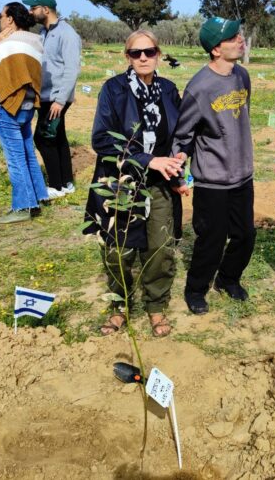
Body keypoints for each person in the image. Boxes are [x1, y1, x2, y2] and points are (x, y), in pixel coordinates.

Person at [84, 30, 184, 337]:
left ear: (158, 54)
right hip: (121, 183)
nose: (143, 57)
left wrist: (178, 171)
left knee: (160, 246)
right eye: (136, 53)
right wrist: (147, 160)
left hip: (159, 183)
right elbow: (101, 139)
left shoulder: (168, 89)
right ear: (127, 57)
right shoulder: (113, 89)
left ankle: (156, 306)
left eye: (149, 51)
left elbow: (177, 136)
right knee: (119, 249)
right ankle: (120, 306)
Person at [172, 17, 255, 315]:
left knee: (246, 235)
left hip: (243, 174)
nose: (240, 40)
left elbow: (240, 117)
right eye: (233, 37)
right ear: (216, 50)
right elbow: (183, 134)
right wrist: (179, 170)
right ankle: (196, 289)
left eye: (238, 34)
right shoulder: (199, 87)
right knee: (212, 239)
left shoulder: (242, 76)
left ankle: (228, 279)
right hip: (212, 180)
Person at [0, 3, 48, 224]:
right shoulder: (36, 41)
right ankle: (39, 195)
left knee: (15, 157)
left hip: (6, 103)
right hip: (27, 103)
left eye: (1, 15)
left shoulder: (7, 43)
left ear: (9, 20)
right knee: (27, 150)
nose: (0, 19)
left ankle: (24, 205)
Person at [23, 0, 81, 200]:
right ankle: (66, 183)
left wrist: (60, 100)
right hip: (45, 96)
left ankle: (55, 185)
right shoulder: (44, 32)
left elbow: (72, 69)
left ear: (45, 10)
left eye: (33, 8)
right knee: (58, 138)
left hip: (56, 98)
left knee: (44, 138)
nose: (31, 11)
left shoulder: (67, 34)